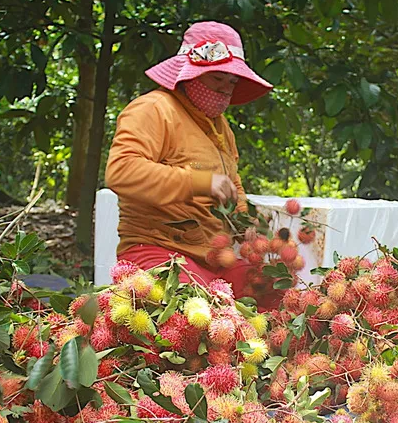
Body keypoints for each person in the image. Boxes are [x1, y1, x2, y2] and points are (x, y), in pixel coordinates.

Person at [105, 21, 273, 298]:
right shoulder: (153, 109)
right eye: (217, 79)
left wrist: (246, 223)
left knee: (273, 291)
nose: (225, 89)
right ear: (190, 75)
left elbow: (233, 184)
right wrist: (200, 182)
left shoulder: (221, 127)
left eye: (232, 82)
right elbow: (121, 171)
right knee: (194, 310)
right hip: (155, 249)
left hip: (214, 259)